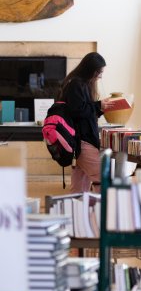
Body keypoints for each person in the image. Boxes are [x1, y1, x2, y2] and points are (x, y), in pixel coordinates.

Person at [58, 52, 110, 193]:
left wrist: (100, 108)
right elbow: (77, 111)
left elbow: (83, 112)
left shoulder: (78, 83)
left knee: (79, 187)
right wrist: (98, 106)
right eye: (99, 72)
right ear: (90, 70)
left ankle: (77, 213)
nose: (100, 76)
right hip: (83, 141)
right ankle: (104, 212)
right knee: (103, 177)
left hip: (79, 141)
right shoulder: (76, 84)